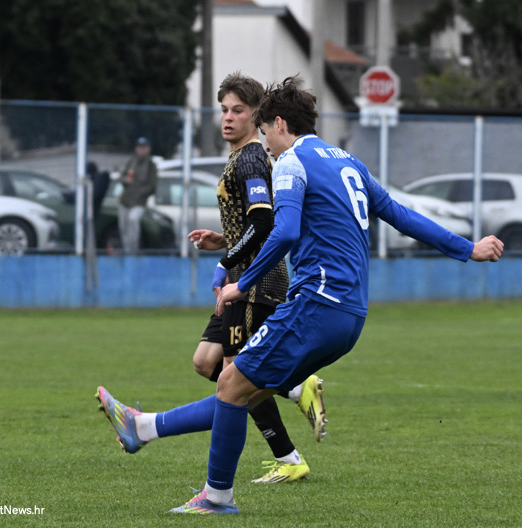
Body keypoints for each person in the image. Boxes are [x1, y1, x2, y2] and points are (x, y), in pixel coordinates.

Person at [96, 76, 504, 515]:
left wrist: (242, 280)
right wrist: (468, 248)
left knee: (231, 382)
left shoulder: (292, 161)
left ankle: (215, 496)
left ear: (278, 123)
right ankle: (142, 428)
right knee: (244, 393)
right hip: (351, 316)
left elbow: (284, 230)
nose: (266, 145)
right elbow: (401, 216)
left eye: (266, 132)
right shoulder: (349, 161)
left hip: (316, 303)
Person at [98, 73, 323, 487]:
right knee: (207, 363)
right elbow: (252, 225)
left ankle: (292, 391)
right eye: (223, 109)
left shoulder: (254, 157)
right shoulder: (240, 156)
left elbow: (264, 223)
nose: (227, 118)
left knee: (235, 381)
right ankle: (289, 439)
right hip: (243, 274)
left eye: (238, 110)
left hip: (255, 282)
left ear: (258, 116)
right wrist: (224, 239)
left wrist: (226, 263)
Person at [117, 137, 157, 254]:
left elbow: (152, 185)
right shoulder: (131, 161)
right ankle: (126, 250)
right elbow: (121, 177)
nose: (141, 150)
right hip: (125, 199)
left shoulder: (150, 165)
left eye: (144, 148)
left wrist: (141, 193)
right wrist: (125, 180)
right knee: (124, 227)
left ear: (148, 149)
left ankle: (133, 250)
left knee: (133, 220)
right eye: (139, 147)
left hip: (139, 201)